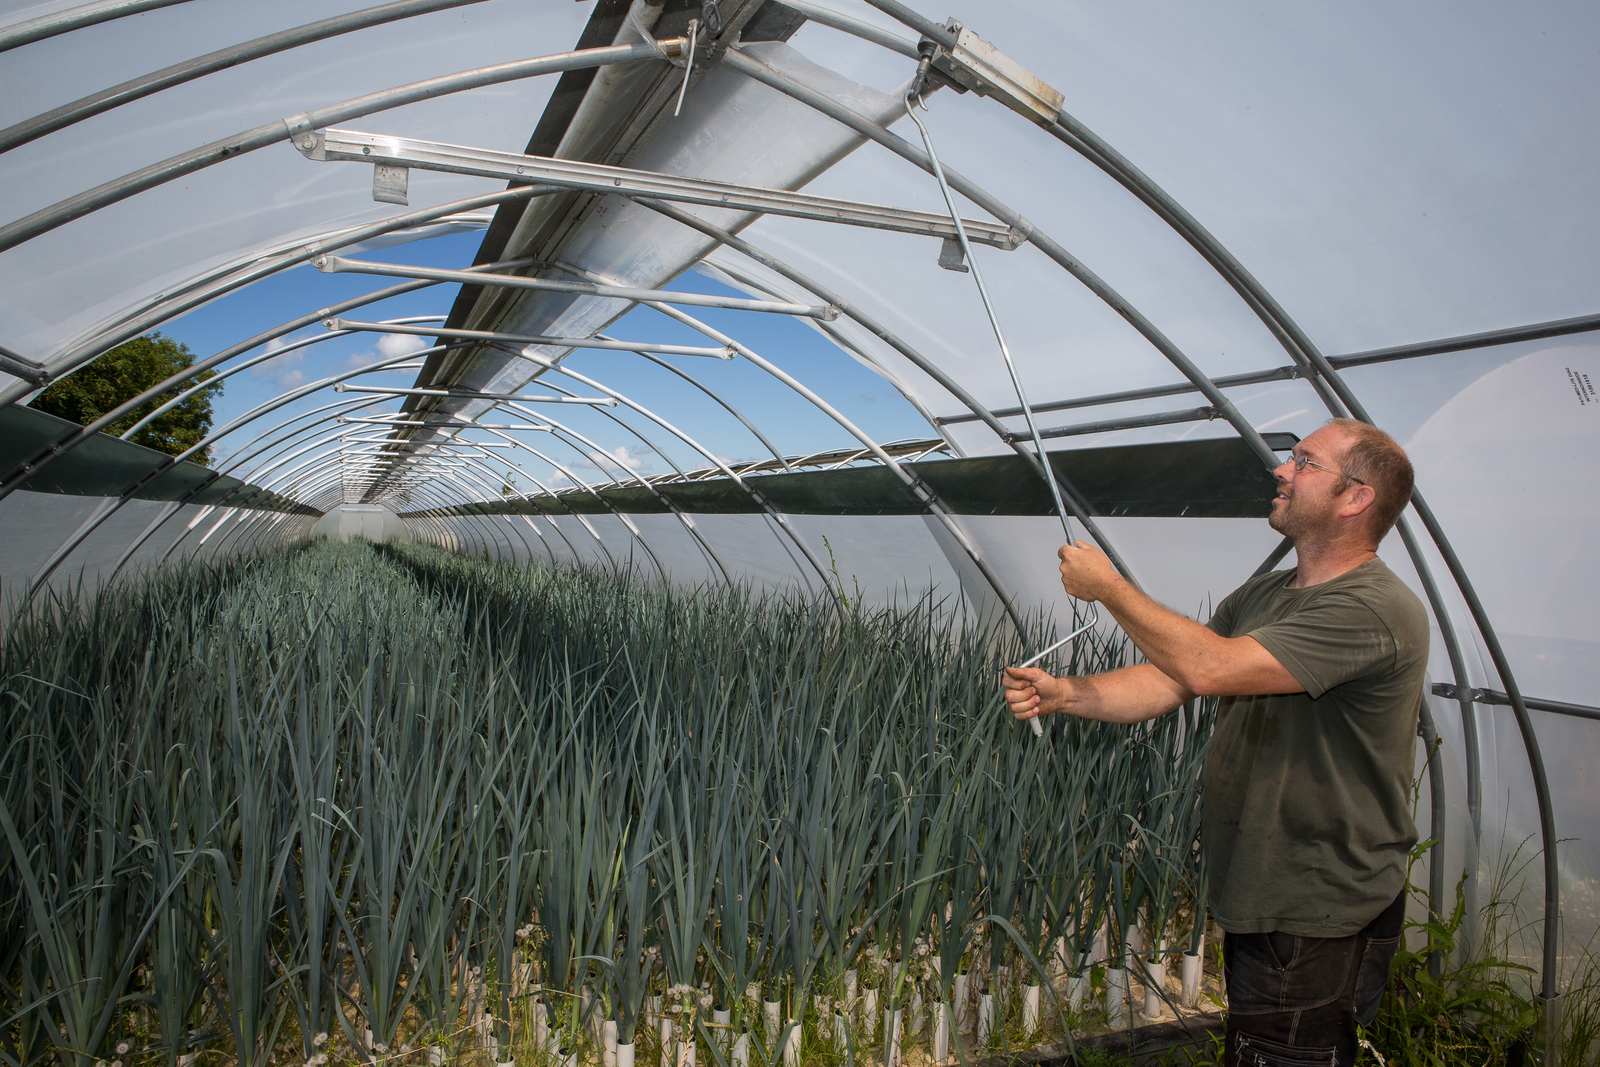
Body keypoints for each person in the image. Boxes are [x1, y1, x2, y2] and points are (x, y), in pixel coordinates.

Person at [1001, 418, 1429, 1067]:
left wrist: (1111, 589)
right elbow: (1171, 677)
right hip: (1265, 889)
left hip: (1320, 904)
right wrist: (1070, 693)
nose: (1281, 471)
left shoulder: (1374, 609)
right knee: (1262, 1049)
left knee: (1286, 1056)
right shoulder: (1264, 594)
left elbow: (1213, 668)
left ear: (1355, 497)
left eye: (1305, 463)